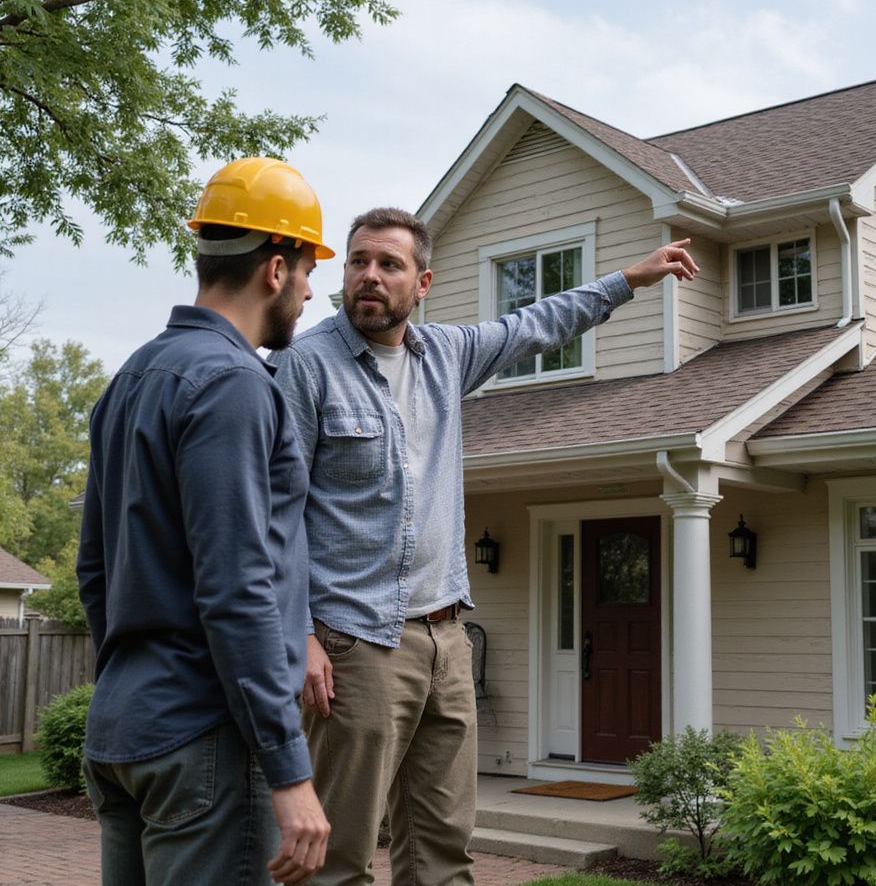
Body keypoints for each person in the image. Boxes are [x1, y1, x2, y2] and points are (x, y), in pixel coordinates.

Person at [272, 206, 699, 886]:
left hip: (447, 640)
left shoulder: (445, 356)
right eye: (359, 262)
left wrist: (629, 279)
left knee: (444, 851)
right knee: (339, 857)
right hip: (355, 642)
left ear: (424, 282)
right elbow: (277, 514)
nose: (370, 277)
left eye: (389, 264)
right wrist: (301, 635)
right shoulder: (303, 368)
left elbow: (536, 324)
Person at [77, 157, 335, 886]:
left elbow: (93, 568)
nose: (314, 291)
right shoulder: (234, 385)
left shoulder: (131, 376)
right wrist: (289, 769)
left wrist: (131, 680)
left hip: (125, 732)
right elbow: (238, 586)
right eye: (310, 269)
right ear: (275, 269)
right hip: (205, 738)